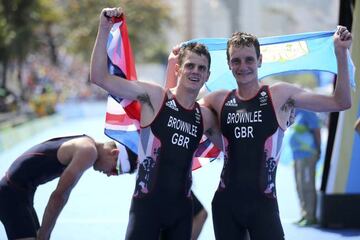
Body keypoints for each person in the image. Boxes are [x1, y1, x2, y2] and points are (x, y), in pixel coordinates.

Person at [197, 27, 352, 240]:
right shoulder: (218, 99)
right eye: (236, 61)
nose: (243, 67)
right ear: (229, 64)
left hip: (263, 205)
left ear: (260, 60)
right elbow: (179, 111)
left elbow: (341, 102)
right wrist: (175, 68)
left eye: (249, 60)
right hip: (225, 205)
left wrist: (341, 53)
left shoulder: (280, 95)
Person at [90, 7, 220, 240]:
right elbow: (100, 77)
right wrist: (104, 28)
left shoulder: (205, 116)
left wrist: (284, 119)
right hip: (147, 209)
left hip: (182, 211)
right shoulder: (155, 97)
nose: (195, 71)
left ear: (208, 76)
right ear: (179, 69)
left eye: (201, 68)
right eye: (190, 65)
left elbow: (238, 142)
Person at [0, 134, 137, 240]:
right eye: (115, 170)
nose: (109, 175)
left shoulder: (86, 141)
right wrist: (44, 235)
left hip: (19, 193)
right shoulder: (89, 151)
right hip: (12, 194)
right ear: (114, 153)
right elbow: (59, 196)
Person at [288, 109, 321, 226]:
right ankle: (304, 214)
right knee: (300, 186)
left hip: (308, 155)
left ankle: (311, 216)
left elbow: (317, 131)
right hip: (297, 156)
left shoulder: (308, 111)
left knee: (307, 185)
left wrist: (318, 149)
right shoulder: (294, 112)